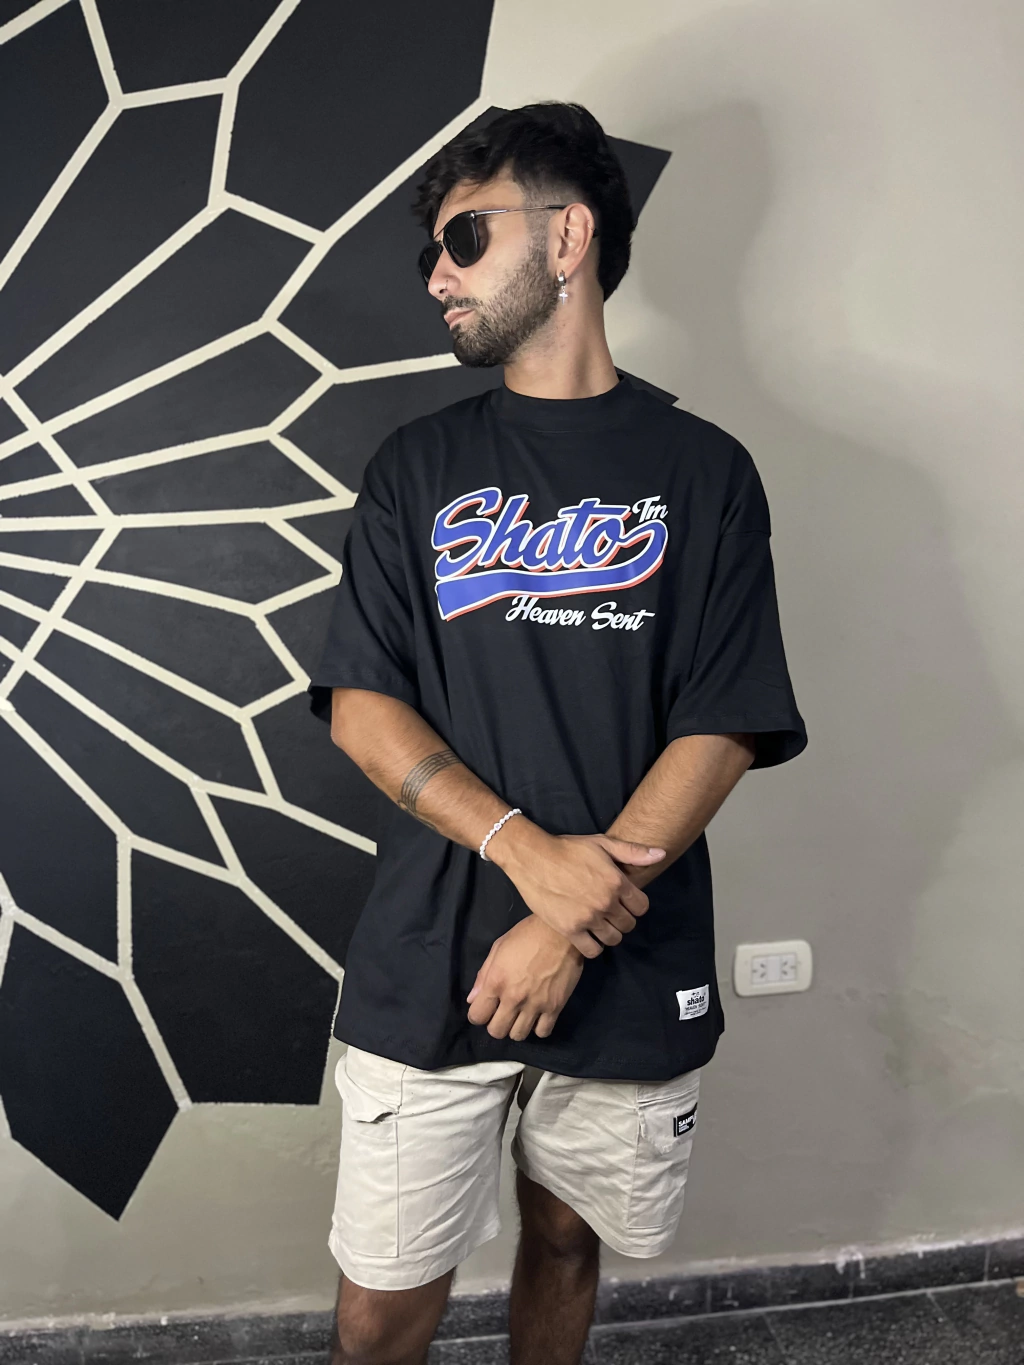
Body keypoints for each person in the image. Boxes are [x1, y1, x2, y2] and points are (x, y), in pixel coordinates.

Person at [308, 101, 807, 1365]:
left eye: (464, 238)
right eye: (431, 250)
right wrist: (529, 858)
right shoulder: (415, 468)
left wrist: (567, 925)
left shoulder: (705, 472)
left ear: (568, 237)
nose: (437, 275)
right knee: (379, 1309)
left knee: (569, 1243)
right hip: (433, 951)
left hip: (625, 959)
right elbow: (362, 703)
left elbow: (724, 719)